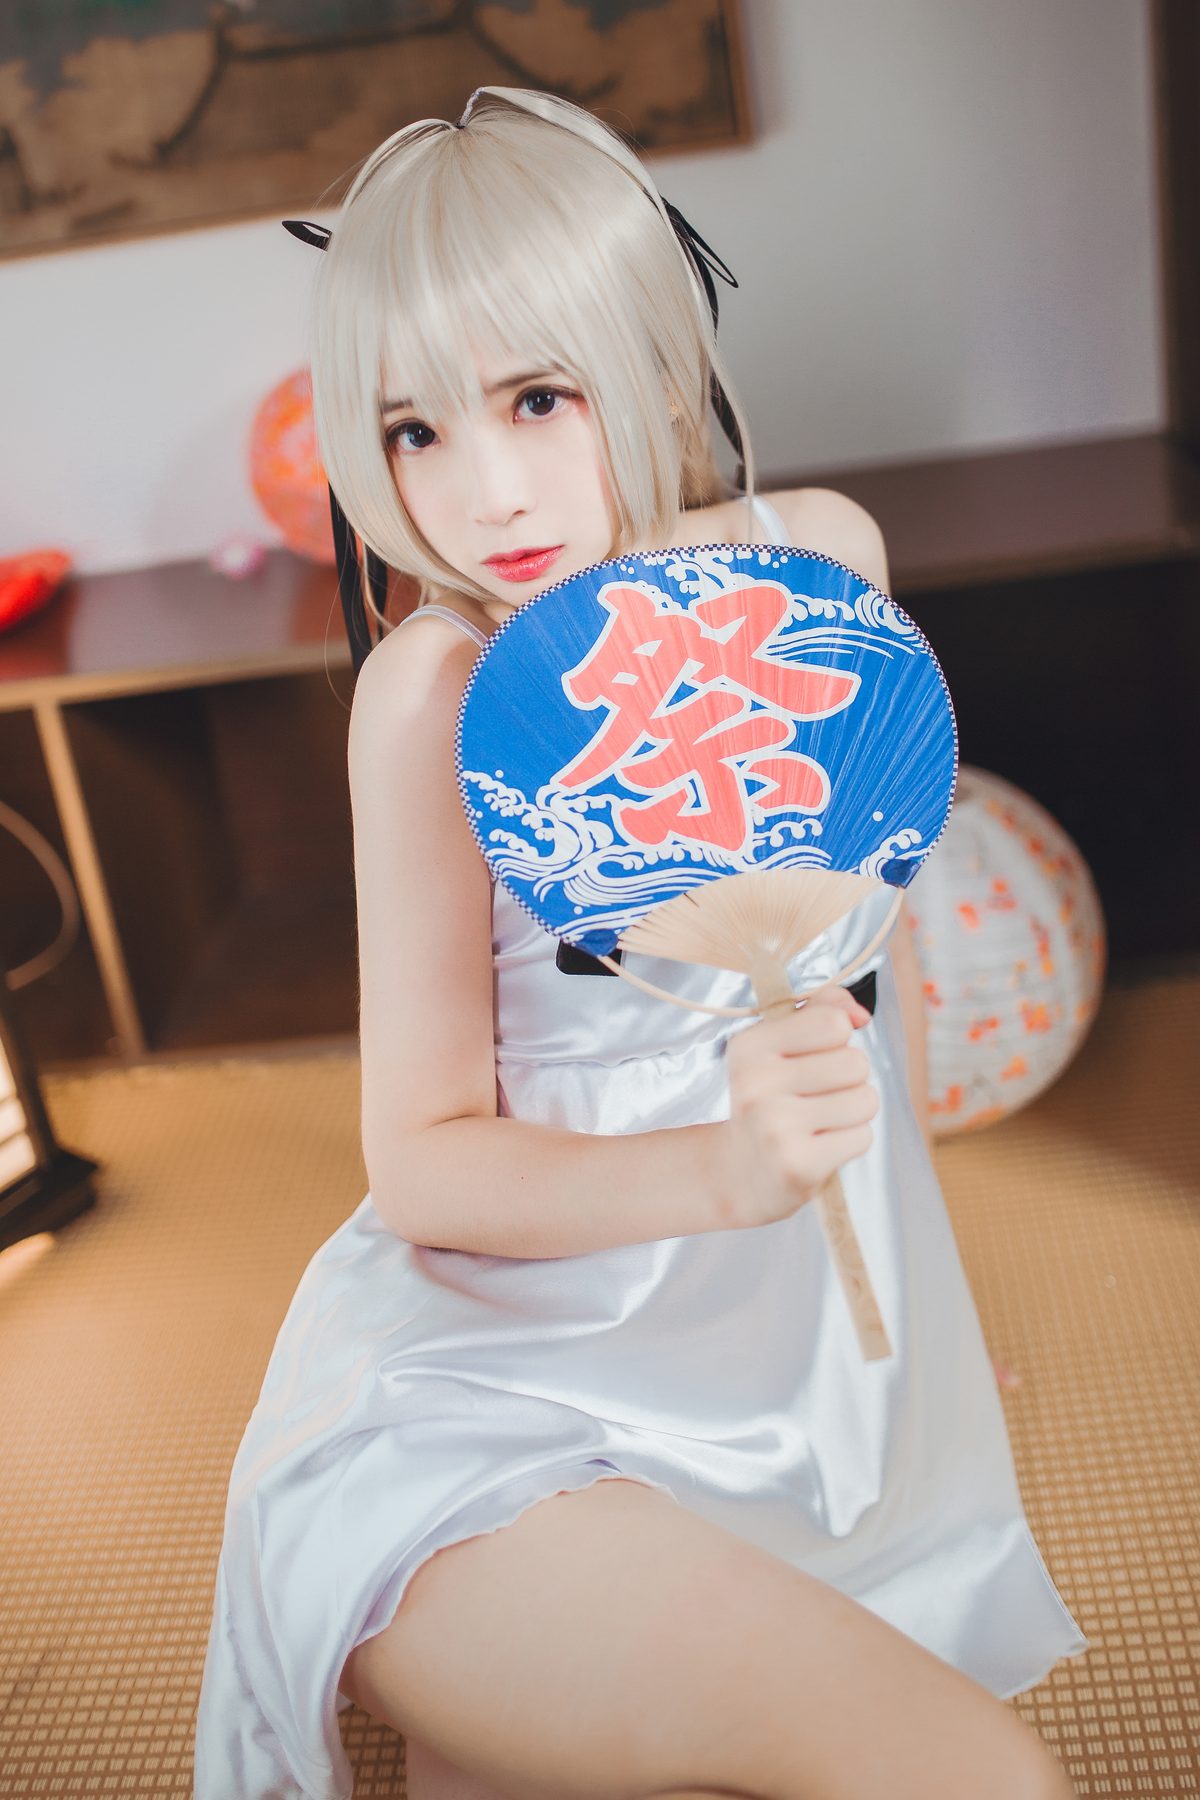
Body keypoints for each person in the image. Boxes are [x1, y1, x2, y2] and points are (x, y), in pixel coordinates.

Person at [194, 86, 1087, 1800]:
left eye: (541, 396)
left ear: (657, 369)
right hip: (487, 1392)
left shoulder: (811, 570)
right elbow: (423, 1160)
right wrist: (726, 1174)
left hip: (788, 1383)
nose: (487, 493)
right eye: (413, 430)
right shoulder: (433, 694)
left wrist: (909, 1313)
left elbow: (858, 966)